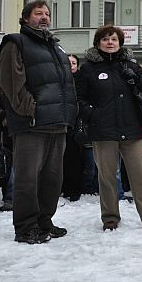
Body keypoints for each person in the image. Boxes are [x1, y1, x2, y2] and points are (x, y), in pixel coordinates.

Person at [0, 0, 77, 244]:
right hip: (31, 123)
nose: (44, 17)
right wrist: (29, 110)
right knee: (27, 177)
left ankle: (44, 220)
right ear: (25, 18)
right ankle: (25, 227)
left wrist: (69, 113)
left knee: (52, 178)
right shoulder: (16, 42)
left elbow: (66, 85)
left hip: (58, 122)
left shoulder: (56, 47)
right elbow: (12, 83)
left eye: (47, 13)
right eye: (38, 13)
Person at [76, 25, 142, 232]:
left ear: (120, 43)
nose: (110, 43)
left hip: (131, 128)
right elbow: (79, 98)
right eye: (105, 39)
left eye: (114, 39)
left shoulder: (130, 64)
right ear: (98, 43)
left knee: (140, 174)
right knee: (107, 176)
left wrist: (134, 77)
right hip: (103, 130)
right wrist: (92, 114)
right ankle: (110, 217)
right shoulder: (88, 68)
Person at [61, 54, 84, 202]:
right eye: (68, 63)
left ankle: (75, 189)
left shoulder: (81, 80)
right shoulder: (59, 80)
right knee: (60, 158)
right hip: (61, 122)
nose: (71, 66)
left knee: (75, 158)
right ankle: (62, 187)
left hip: (77, 123)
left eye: (74, 63)